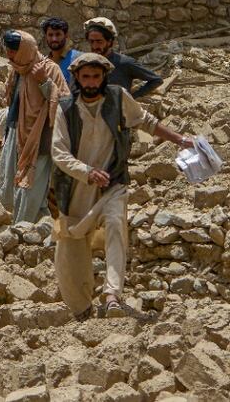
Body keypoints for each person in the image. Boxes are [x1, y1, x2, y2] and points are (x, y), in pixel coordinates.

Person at [50, 53, 193, 319]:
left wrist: (179, 139)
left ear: (104, 76)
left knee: (116, 224)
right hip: (75, 190)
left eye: (96, 76)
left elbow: (146, 122)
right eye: (86, 77)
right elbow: (59, 153)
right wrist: (87, 172)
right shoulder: (65, 109)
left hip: (112, 184)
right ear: (77, 79)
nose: (91, 82)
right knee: (71, 248)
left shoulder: (118, 97)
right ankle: (82, 309)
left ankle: (112, 295)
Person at [0, 31, 70, 224]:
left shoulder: (49, 69)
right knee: (11, 184)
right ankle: (41, 228)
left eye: (13, 51)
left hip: (39, 139)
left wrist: (44, 82)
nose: (9, 55)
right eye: (8, 51)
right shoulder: (17, 69)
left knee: (29, 187)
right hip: (15, 133)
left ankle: (21, 231)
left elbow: (64, 102)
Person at [84, 17, 162, 98]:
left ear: (110, 42)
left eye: (99, 42)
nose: (94, 46)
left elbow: (156, 80)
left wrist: (132, 98)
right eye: (91, 41)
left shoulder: (124, 63)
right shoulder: (87, 64)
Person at [41, 17, 81, 85]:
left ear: (66, 35)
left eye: (58, 34)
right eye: (50, 35)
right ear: (45, 37)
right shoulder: (43, 64)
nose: (54, 39)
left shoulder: (78, 59)